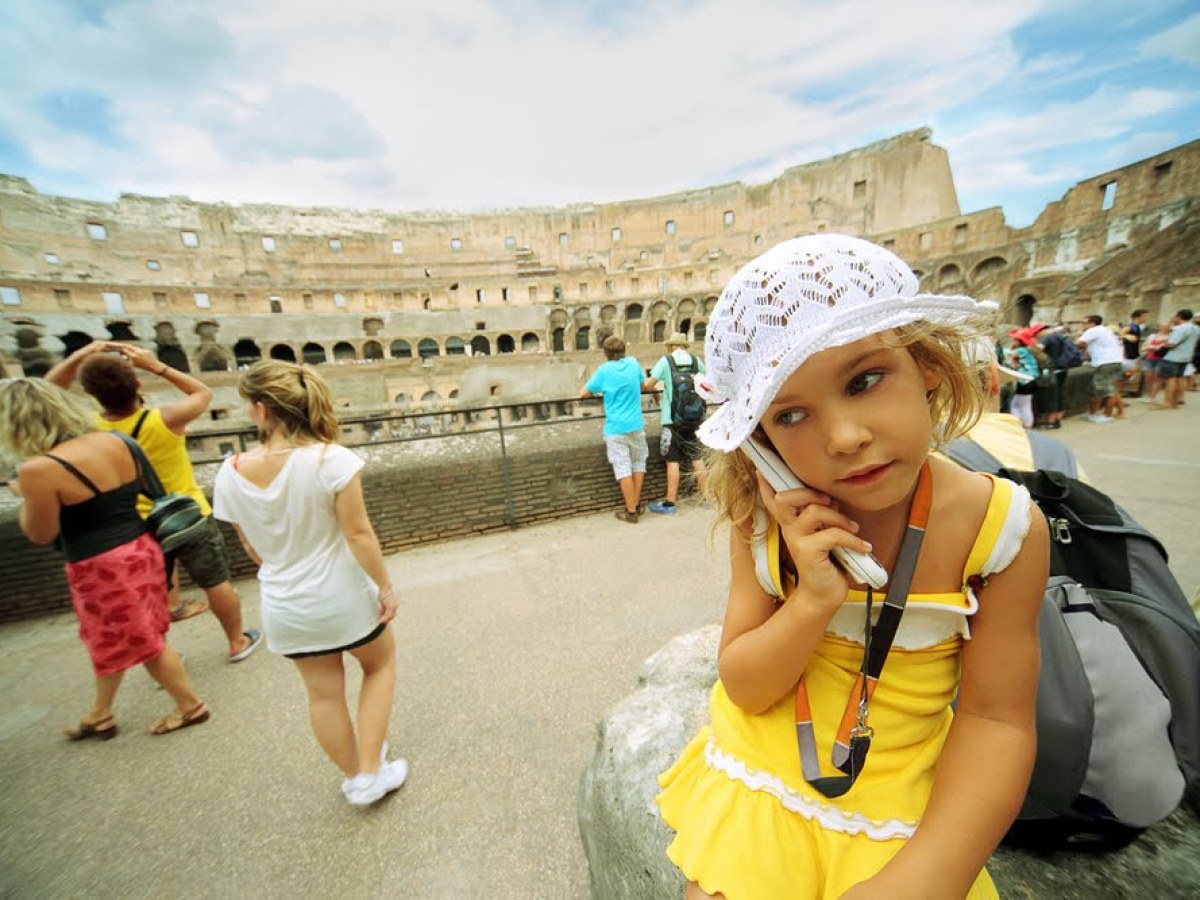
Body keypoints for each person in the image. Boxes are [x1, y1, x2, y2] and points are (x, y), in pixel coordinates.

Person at [656, 234, 1048, 899]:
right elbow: (746, 686)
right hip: (764, 774)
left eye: (864, 381)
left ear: (925, 364)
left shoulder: (1001, 530)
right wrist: (811, 599)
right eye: (792, 414)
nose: (843, 438)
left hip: (900, 800)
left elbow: (996, 720)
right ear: (762, 445)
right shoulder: (766, 515)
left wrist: (924, 879)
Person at [212, 360, 407, 806]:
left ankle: (358, 778)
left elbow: (252, 548)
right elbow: (358, 534)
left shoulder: (230, 470)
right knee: (378, 667)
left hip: (284, 603)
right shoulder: (331, 459)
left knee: (322, 694)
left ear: (262, 411)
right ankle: (376, 769)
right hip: (341, 594)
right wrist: (385, 587)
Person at [0, 378, 209, 739]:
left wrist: (25, 495)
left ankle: (191, 706)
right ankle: (100, 713)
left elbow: (41, 533)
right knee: (118, 635)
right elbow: (152, 490)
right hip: (142, 549)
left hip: (99, 564)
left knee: (143, 641)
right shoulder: (119, 441)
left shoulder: (39, 470)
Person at [46, 341, 262, 662]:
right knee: (216, 582)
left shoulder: (88, 428)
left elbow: (45, 392)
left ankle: (165, 654)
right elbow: (203, 393)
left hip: (135, 524)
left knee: (151, 591)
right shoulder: (165, 419)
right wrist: (155, 366)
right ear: (136, 384)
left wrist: (79, 356)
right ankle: (236, 642)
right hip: (187, 514)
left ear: (91, 393)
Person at [580, 336, 649, 523]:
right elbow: (642, 386)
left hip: (616, 427)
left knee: (623, 467)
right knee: (638, 463)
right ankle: (634, 505)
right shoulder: (634, 364)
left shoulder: (604, 370)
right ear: (623, 351)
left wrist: (603, 392)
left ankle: (631, 510)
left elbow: (584, 393)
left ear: (606, 353)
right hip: (636, 423)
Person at [643, 333, 708, 515]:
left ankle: (670, 503)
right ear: (684, 346)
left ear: (670, 346)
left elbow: (647, 385)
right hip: (695, 418)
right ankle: (707, 498)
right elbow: (707, 383)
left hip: (672, 420)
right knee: (697, 458)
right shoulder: (696, 361)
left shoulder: (666, 361)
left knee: (673, 461)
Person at [1075, 315, 1124, 422]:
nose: (1083, 325)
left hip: (1105, 362)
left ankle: (1106, 415)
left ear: (1092, 323)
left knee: (1104, 390)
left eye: (1084, 323)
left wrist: (1078, 335)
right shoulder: (1105, 330)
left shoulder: (1093, 330)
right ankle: (1093, 413)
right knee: (1105, 389)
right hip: (1115, 361)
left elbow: (1078, 343)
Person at [1153, 308, 1199, 411]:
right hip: (1186, 356)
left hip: (1173, 356)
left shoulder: (1180, 328)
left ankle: (1167, 402)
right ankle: (1174, 402)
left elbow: (1172, 343)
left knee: (1170, 379)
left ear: (1179, 317)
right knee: (1178, 378)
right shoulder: (1195, 329)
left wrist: (1161, 346)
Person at [1031, 323, 1075, 429]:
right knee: (1060, 394)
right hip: (1063, 368)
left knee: (1051, 396)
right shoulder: (1061, 336)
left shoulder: (1048, 338)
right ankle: (1057, 419)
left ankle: (1050, 421)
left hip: (1052, 370)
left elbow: (1037, 350)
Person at [1004, 329, 1040, 429]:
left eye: (1015, 339)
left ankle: (1021, 425)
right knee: (1024, 404)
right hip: (1031, 380)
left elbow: (1006, 354)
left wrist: (1010, 348)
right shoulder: (1029, 350)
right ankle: (1026, 425)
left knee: (1015, 404)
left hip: (1025, 381)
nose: (1013, 341)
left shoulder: (1022, 350)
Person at [1118, 308, 1148, 399]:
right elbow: (1119, 335)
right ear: (1138, 316)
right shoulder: (1131, 326)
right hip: (1128, 355)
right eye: (1145, 316)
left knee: (1127, 375)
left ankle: (1119, 395)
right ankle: (1118, 395)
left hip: (1132, 355)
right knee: (1124, 376)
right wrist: (1126, 336)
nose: (1146, 318)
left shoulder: (1137, 327)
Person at [1139, 323, 1171, 405]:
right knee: (1148, 378)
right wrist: (1156, 347)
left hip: (1162, 359)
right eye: (1162, 326)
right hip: (1150, 358)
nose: (1164, 327)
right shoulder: (1152, 336)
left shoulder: (1170, 337)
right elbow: (1144, 347)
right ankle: (1149, 396)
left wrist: (1152, 347)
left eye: (1166, 326)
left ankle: (1153, 397)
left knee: (1158, 378)